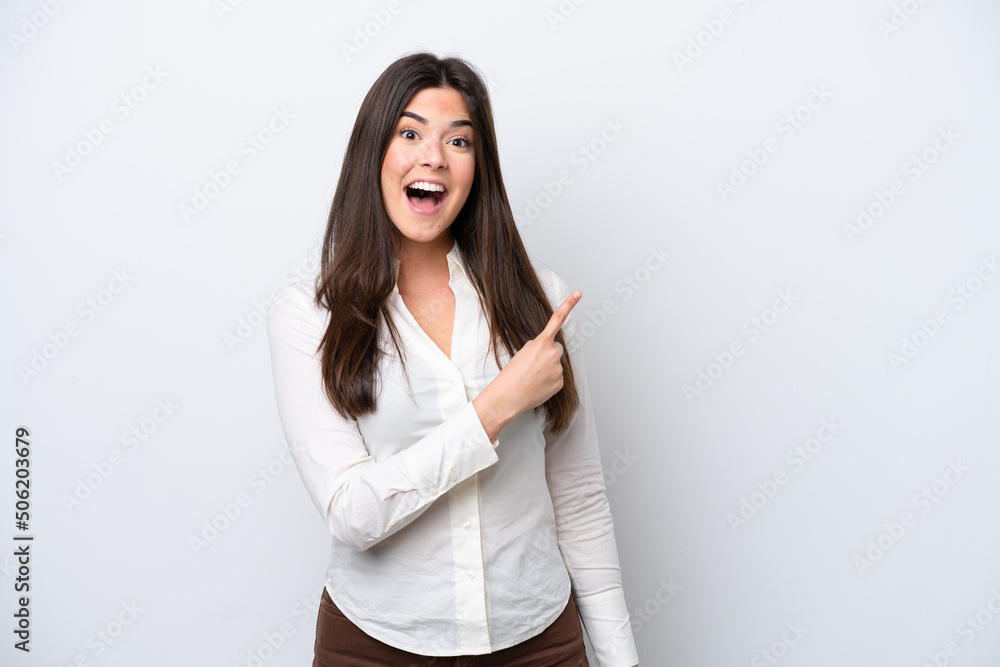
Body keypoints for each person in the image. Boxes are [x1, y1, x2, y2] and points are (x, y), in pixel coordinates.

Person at [265, 51, 639, 667]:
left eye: (458, 141)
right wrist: (495, 407)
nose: (432, 156)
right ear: (372, 155)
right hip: (376, 645)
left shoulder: (535, 298)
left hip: (537, 640)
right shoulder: (309, 314)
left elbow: (579, 496)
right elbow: (353, 514)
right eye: (409, 133)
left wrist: (621, 660)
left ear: (477, 167)